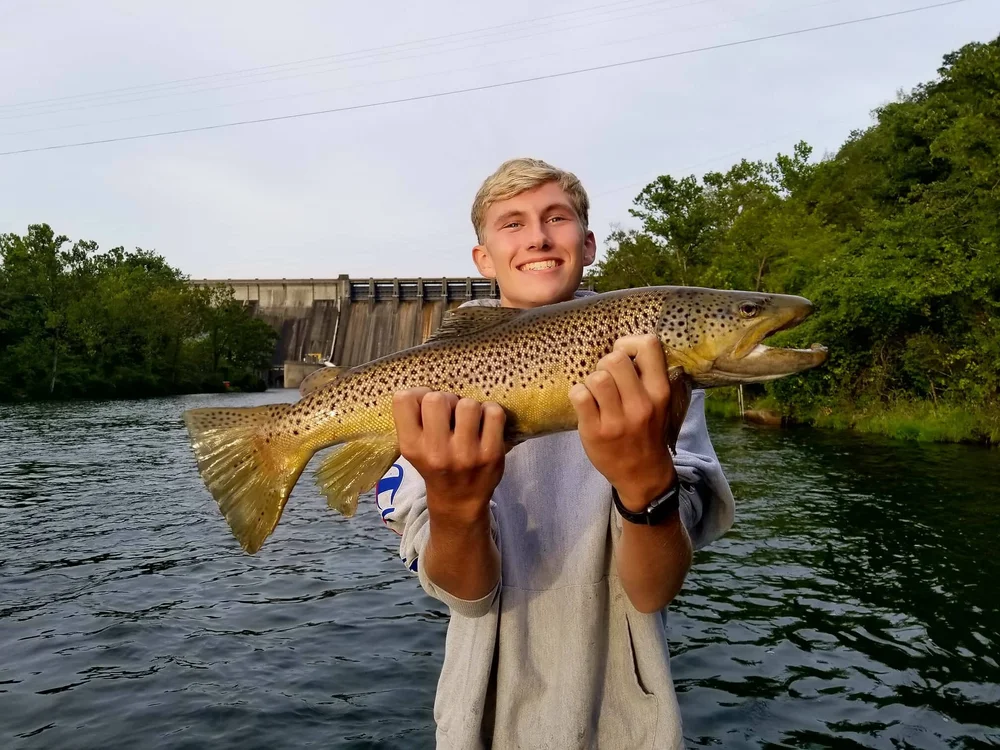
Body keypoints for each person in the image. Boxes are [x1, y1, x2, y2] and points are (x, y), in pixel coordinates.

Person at [375, 158, 735, 749]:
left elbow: (653, 591)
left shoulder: (657, 373)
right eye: (512, 223)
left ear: (588, 244)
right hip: (478, 724)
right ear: (483, 258)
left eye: (557, 218)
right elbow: (465, 595)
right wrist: (455, 508)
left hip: (630, 729)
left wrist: (647, 483)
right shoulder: (430, 393)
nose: (538, 236)